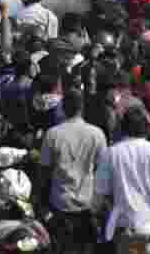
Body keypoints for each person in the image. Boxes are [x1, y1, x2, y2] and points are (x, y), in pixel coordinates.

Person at [93, 106, 150, 247]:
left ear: (123, 127)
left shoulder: (111, 153)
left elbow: (99, 192)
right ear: (146, 128)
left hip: (124, 229)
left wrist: (96, 212)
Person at [39, 88, 107, 254]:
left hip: (60, 203)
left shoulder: (52, 134)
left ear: (63, 107)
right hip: (87, 204)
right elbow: (103, 172)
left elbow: (44, 171)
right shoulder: (97, 134)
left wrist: (41, 199)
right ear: (82, 107)